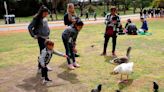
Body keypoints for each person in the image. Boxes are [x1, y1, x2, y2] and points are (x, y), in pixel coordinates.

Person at [28, 5, 51, 73]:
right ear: (42, 12)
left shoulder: (45, 18)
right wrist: (33, 35)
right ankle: (40, 68)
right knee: (43, 53)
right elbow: (30, 27)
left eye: (47, 13)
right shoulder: (36, 18)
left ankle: (45, 65)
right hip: (41, 38)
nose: (47, 14)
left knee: (47, 52)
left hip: (47, 37)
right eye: (45, 13)